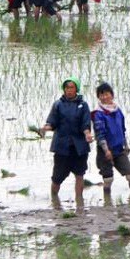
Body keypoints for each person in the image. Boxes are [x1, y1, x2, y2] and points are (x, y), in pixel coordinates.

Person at [42, 78, 94, 206]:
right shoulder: (58, 104)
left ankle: (79, 202)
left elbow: (85, 124)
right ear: (64, 89)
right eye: (67, 87)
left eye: (72, 87)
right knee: (57, 177)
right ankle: (54, 201)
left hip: (79, 146)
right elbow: (52, 123)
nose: (69, 90)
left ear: (76, 89)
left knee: (80, 174)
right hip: (62, 146)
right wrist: (45, 128)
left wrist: (87, 134)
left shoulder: (83, 105)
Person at [91, 81, 130, 199]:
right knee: (108, 179)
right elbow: (100, 134)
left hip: (119, 149)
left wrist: (126, 145)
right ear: (99, 97)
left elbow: (122, 129)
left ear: (112, 95)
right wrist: (106, 150)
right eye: (101, 95)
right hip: (105, 150)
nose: (105, 97)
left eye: (107, 94)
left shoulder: (117, 110)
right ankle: (107, 203)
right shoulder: (98, 114)